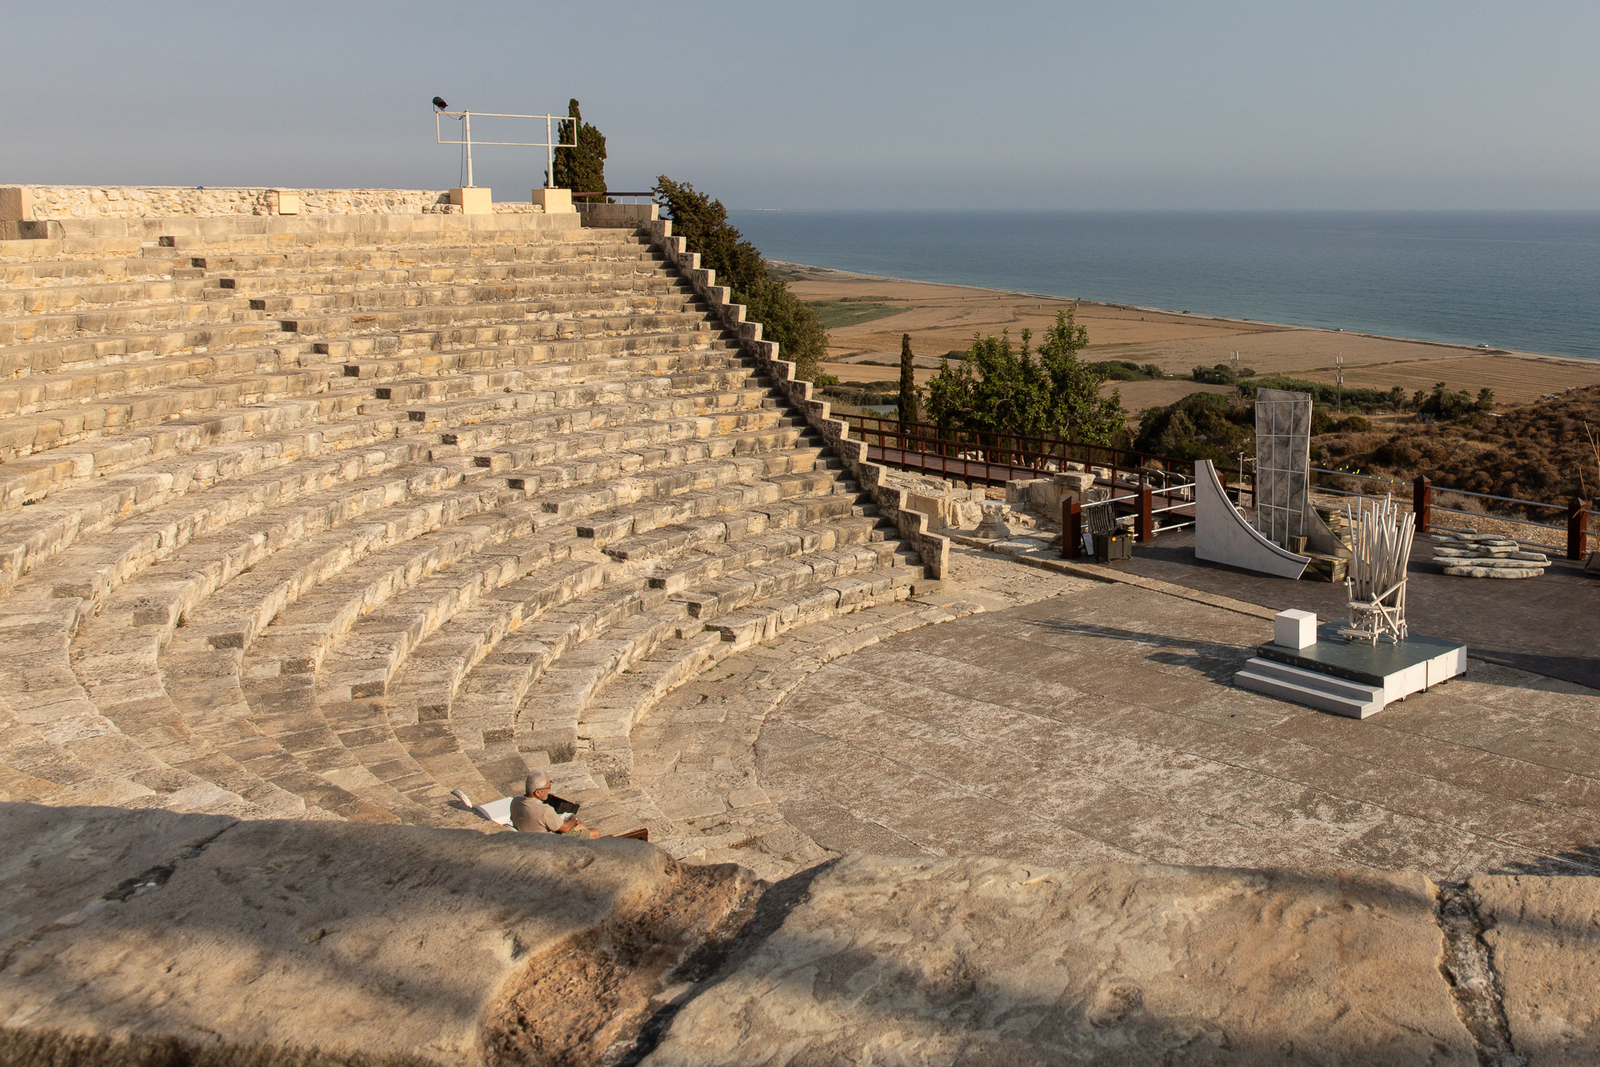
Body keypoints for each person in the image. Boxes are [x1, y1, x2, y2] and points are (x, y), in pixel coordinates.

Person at [510, 772, 599, 837]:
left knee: (582, 826)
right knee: (595, 833)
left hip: (527, 835)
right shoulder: (544, 810)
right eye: (547, 787)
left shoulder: (515, 801)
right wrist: (574, 818)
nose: (549, 790)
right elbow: (565, 828)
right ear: (538, 792)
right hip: (548, 841)